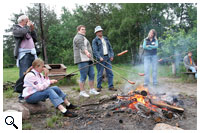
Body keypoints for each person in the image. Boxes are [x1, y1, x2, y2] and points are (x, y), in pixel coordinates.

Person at [13, 15, 38, 102]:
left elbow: (35, 39)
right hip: (24, 55)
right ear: (22, 21)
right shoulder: (16, 28)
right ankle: (22, 95)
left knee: (34, 73)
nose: (29, 22)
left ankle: (33, 93)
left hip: (32, 54)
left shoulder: (27, 29)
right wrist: (27, 27)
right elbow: (22, 33)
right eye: (27, 21)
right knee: (24, 74)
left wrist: (32, 29)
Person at [73, 25, 99, 97]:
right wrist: (87, 52)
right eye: (82, 29)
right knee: (83, 76)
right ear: (78, 30)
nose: (84, 30)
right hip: (82, 60)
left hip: (88, 59)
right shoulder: (78, 37)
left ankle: (92, 90)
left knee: (92, 74)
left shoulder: (83, 37)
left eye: (84, 29)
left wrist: (89, 55)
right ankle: (82, 91)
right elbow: (81, 46)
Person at [92, 26, 116, 92]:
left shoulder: (106, 39)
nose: (101, 32)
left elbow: (110, 48)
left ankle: (111, 86)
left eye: (101, 31)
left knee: (110, 72)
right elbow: (95, 51)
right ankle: (99, 87)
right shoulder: (95, 41)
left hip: (107, 58)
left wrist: (111, 55)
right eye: (99, 31)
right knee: (100, 73)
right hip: (100, 59)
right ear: (96, 33)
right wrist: (99, 57)